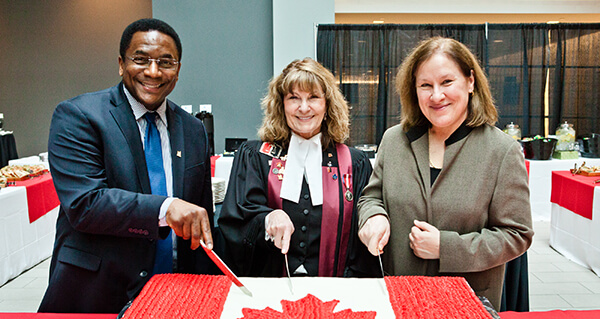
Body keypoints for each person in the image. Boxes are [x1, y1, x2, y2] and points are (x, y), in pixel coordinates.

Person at [38, 18, 216, 313]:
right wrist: (165, 207)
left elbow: (200, 217)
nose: (153, 72)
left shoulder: (193, 129)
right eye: (141, 59)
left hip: (176, 294)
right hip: (96, 293)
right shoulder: (79, 116)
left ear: (178, 69)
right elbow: (85, 204)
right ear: (121, 64)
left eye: (166, 62)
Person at [357, 37, 534, 310]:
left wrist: (446, 247)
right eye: (425, 85)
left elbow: (516, 235)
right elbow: (372, 197)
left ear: (471, 82)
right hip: (400, 295)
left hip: (469, 300)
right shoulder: (394, 140)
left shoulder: (502, 151)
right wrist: (373, 217)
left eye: (447, 82)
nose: (436, 96)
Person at [218, 58, 379, 278]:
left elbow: (362, 247)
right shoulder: (254, 156)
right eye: (294, 98)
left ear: (327, 104)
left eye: (313, 97)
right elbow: (234, 223)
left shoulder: (355, 163)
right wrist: (267, 219)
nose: (304, 108)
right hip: (270, 289)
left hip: (336, 291)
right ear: (281, 104)